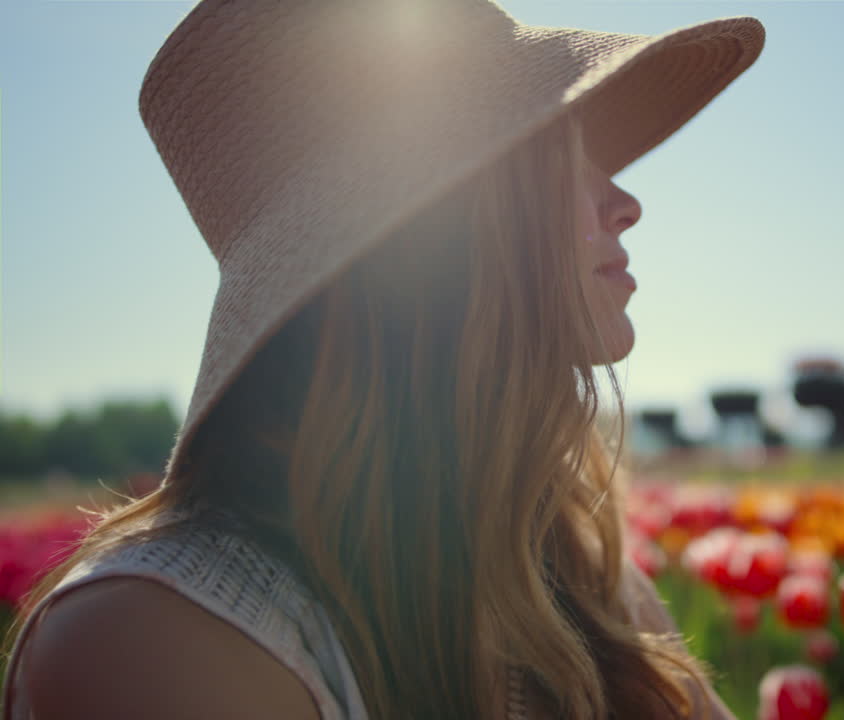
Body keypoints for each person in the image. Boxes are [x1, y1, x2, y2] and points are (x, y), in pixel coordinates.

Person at [0, 0, 765, 717]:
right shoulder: (153, 637)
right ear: (435, 227)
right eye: (560, 147)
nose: (624, 200)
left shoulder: (569, 566)